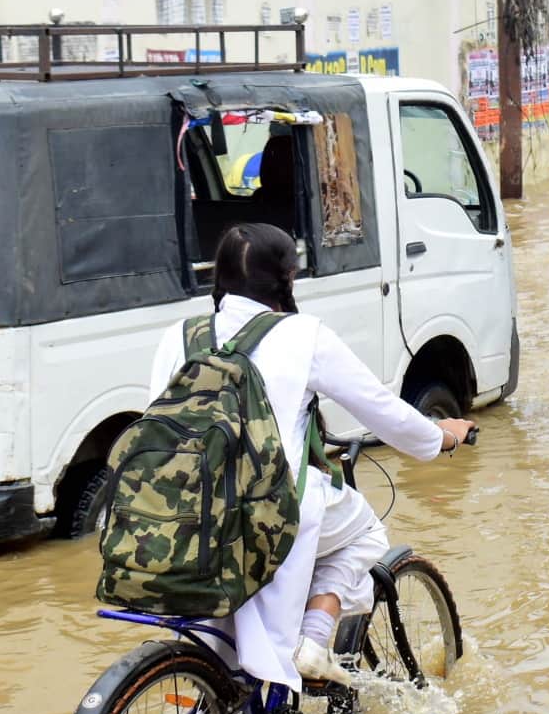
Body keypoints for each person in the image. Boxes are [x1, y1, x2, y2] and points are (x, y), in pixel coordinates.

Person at [145, 224, 474, 688]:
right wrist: (439, 437)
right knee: (365, 531)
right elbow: (383, 411)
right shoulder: (303, 335)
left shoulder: (178, 336)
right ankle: (314, 641)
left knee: (221, 676)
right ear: (288, 279)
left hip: (184, 519)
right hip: (271, 516)